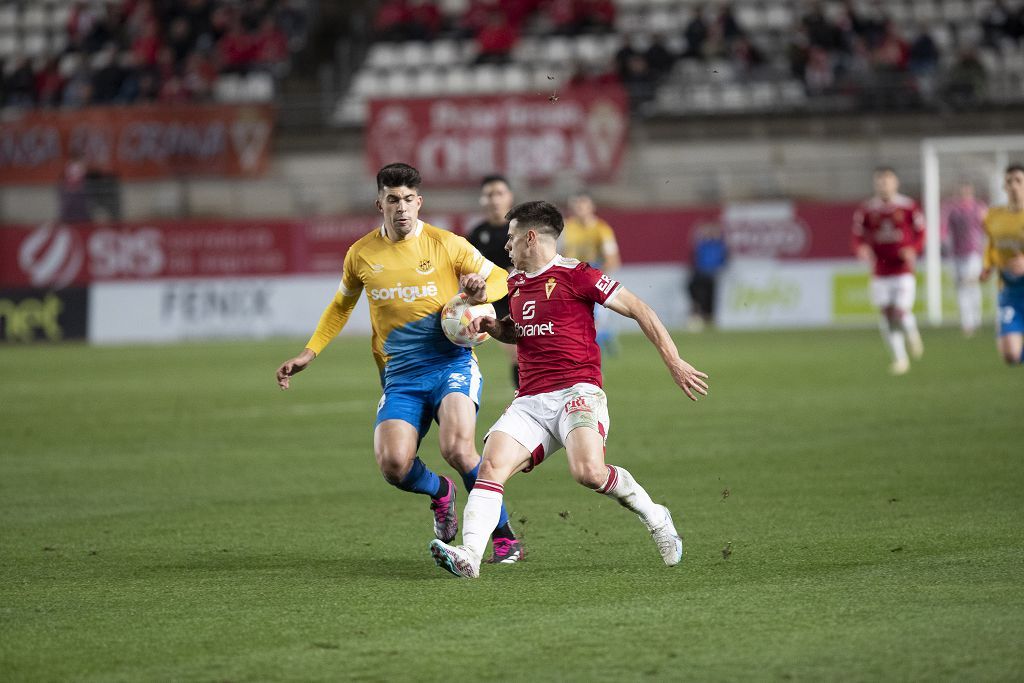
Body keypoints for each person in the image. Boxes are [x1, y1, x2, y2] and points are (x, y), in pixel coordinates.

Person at [429, 201, 709, 578]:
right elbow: (517, 330)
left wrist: (674, 361)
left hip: (578, 391)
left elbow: (640, 308)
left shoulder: (578, 275)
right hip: (530, 400)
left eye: (511, 239)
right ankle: (470, 556)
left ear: (531, 237)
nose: (507, 247)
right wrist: (491, 327)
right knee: (491, 466)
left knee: (589, 473)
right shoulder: (514, 283)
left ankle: (656, 515)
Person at [276, 163, 523, 563]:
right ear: (380, 203)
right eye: (393, 200)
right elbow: (340, 307)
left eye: (409, 199)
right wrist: (309, 352)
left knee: (458, 448)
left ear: (419, 202)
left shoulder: (447, 243)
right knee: (393, 464)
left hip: (451, 364)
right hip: (401, 375)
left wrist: (479, 292)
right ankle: (441, 492)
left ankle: (505, 537)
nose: (402, 208)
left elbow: (499, 279)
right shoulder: (361, 254)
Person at [852, 166, 925, 375]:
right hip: (880, 271)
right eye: (880, 181)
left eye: (887, 181)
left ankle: (912, 333)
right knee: (886, 314)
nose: (883, 185)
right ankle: (900, 359)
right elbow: (857, 236)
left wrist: (914, 249)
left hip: (902, 269)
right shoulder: (867, 210)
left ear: (896, 183)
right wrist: (861, 248)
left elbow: (921, 232)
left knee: (900, 311)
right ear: (875, 184)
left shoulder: (908, 207)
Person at [466, 174, 520, 390]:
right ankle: (524, 396)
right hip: (492, 300)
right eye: (489, 195)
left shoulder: (521, 230)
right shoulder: (477, 235)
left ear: (510, 196)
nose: (495, 199)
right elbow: (467, 269)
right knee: (517, 353)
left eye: (499, 193)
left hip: (523, 296)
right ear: (482, 199)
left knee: (525, 352)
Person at [562, 190, 622, 354]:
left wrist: (597, 276)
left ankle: (592, 354)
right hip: (571, 277)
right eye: (577, 205)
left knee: (592, 320)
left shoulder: (602, 229)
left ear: (591, 207)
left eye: (583, 204)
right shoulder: (566, 228)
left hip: (594, 275)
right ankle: (604, 336)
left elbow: (613, 258)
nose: (579, 208)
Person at [980, 163, 1024, 366]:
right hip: (1009, 291)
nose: (1014, 186)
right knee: (1010, 356)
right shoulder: (993, 216)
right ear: (1004, 187)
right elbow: (990, 244)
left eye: (1019, 181)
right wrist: (986, 266)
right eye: (1009, 182)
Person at [941, 180, 987, 336]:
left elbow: (985, 228)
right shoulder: (953, 210)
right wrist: (946, 246)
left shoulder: (979, 208)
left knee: (972, 284)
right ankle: (967, 322)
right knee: (961, 288)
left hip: (974, 253)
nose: (964, 195)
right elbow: (945, 230)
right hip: (957, 254)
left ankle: (976, 318)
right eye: (962, 192)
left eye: (967, 192)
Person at [686, 223, 728, 330]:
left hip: (711, 276)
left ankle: (708, 320)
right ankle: (697, 317)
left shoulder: (719, 246)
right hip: (699, 274)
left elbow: (723, 261)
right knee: (697, 296)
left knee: (709, 298)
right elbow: (695, 257)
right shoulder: (702, 244)